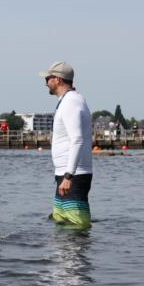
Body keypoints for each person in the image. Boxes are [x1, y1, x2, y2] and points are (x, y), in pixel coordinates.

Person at [41, 61, 93, 227]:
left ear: (57, 79)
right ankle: (62, 254)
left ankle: (75, 253)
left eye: (47, 78)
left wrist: (69, 175)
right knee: (61, 222)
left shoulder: (71, 102)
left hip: (73, 176)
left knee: (76, 226)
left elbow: (77, 139)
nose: (45, 83)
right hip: (65, 174)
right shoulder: (68, 101)